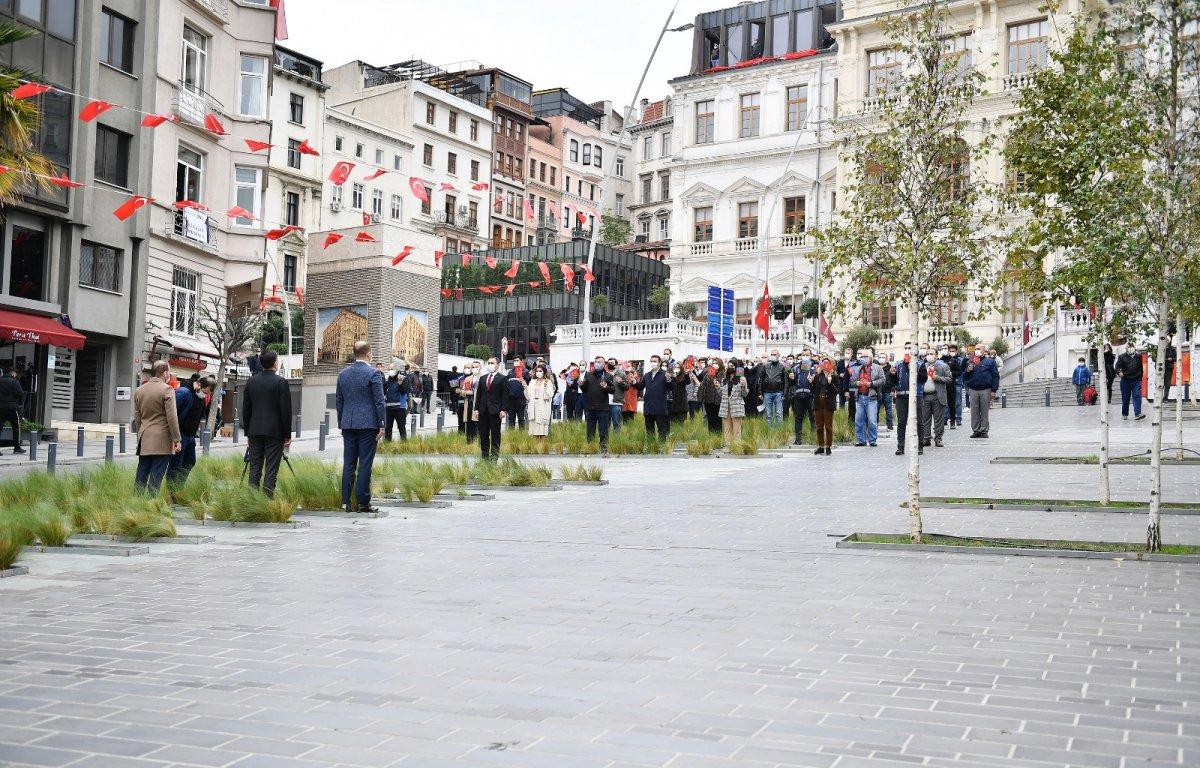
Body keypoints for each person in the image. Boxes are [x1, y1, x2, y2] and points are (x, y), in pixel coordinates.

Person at [335, 341, 386, 513]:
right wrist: (382, 424)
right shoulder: (374, 374)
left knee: (348, 463)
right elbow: (379, 401)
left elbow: (339, 401)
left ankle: (345, 502)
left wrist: (341, 422)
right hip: (368, 425)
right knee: (365, 463)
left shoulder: (343, 374)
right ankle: (363, 503)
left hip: (348, 424)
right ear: (368, 353)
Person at [241, 349, 292, 498]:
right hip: (275, 432)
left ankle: (252, 501)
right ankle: (267, 501)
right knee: (271, 468)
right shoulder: (281, 382)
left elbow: (246, 409)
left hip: (255, 431)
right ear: (275, 363)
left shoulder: (251, 381)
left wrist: (248, 433)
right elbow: (286, 411)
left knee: (254, 467)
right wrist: (287, 434)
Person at [132, 360, 181, 494]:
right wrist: (177, 439)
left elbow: (138, 417)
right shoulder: (167, 389)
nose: (169, 375)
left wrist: (140, 435)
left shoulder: (139, 390)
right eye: (169, 372)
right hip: (162, 438)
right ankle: (151, 504)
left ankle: (136, 504)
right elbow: (172, 417)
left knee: (141, 473)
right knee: (156, 476)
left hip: (144, 437)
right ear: (164, 373)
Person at [168, 375, 213, 485]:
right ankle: (172, 492)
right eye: (205, 392)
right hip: (180, 433)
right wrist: (174, 436)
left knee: (190, 461)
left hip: (190, 435)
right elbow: (170, 412)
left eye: (208, 394)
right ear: (199, 384)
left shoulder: (201, 398)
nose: (205, 395)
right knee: (175, 464)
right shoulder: (184, 392)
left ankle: (179, 487)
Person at [472, 357, 510, 459]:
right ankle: (484, 455)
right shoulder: (483, 378)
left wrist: (504, 409)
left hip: (495, 411)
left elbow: (505, 395)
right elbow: (479, 394)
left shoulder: (502, 378)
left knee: (495, 435)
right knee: (483, 434)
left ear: (497, 365)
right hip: (483, 410)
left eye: (492, 363)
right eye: (488, 363)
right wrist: (476, 409)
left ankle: (494, 456)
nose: (490, 364)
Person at [849, 349, 885, 447]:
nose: (863, 358)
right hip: (859, 397)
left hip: (871, 397)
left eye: (865, 357)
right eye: (861, 357)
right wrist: (856, 383)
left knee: (872, 420)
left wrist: (872, 384)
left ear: (870, 358)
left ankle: (872, 440)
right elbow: (852, 380)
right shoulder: (858, 368)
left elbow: (882, 380)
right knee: (859, 420)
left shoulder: (877, 368)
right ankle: (861, 440)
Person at [963, 343, 1000, 437]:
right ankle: (976, 430)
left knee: (984, 411)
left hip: (985, 389)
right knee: (974, 411)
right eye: (976, 349)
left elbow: (995, 376)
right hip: (973, 389)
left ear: (984, 350)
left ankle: (984, 430)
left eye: (979, 348)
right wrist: (968, 371)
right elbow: (965, 376)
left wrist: (994, 390)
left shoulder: (990, 362)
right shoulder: (970, 361)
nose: (977, 350)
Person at [581, 356, 615, 455]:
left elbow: (613, 390)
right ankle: (590, 446)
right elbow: (585, 389)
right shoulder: (589, 375)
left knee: (603, 429)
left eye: (599, 362)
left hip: (602, 407)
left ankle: (603, 447)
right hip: (590, 407)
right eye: (595, 362)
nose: (596, 363)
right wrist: (581, 385)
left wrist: (606, 387)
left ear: (604, 364)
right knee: (590, 429)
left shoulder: (608, 376)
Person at [918, 350, 952, 447]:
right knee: (925, 419)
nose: (929, 356)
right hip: (925, 396)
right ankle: (926, 438)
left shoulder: (943, 366)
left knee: (938, 419)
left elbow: (949, 379)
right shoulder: (922, 366)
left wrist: (937, 377)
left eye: (931, 354)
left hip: (937, 395)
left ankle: (938, 438)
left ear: (936, 356)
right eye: (928, 354)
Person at [893, 353, 921, 455]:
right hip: (901, 397)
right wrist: (892, 374)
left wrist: (915, 371)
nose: (908, 351)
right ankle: (900, 447)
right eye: (907, 348)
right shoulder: (898, 365)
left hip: (915, 396)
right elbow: (893, 380)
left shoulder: (919, 364)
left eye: (910, 348)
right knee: (901, 423)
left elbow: (923, 379)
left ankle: (919, 447)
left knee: (919, 422)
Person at [637, 354, 671, 440]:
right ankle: (651, 448)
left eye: (655, 361)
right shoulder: (647, 375)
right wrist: (634, 382)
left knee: (662, 430)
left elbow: (671, 387)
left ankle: (662, 448)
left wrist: (668, 380)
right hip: (648, 407)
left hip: (660, 407)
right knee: (649, 430)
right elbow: (641, 387)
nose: (653, 363)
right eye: (651, 361)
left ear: (659, 363)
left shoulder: (664, 374)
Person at [718, 359, 749, 446]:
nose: (730, 368)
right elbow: (721, 394)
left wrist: (743, 386)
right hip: (725, 407)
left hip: (737, 407)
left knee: (737, 430)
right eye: (729, 366)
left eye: (732, 366)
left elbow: (744, 394)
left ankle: (737, 446)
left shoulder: (741, 378)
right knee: (727, 429)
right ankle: (728, 446)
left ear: (736, 367)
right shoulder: (724, 379)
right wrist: (718, 388)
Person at [811, 359, 838, 455]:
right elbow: (813, 390)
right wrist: (811, 382)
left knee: (828, 426)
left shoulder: (834, 376)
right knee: (819, 426)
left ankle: (828, 446)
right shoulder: (818, 376)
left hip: (828, 403)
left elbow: (836, 391)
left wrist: (830, 383)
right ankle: (821, 446)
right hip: (818, 403)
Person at [1115, 347, 1145, 420]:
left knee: (1137, 396)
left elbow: (1140, 367)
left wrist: (1140, 377)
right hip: (1126, 380)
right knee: (1125, 398)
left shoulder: (1138, 356)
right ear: (1126, 348)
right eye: (1128, 346)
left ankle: (1138, 414)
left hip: (1136, 380)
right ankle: (1124, 414)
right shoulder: (1122, 356)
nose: (1130, 348)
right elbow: (1117, 366)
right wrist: (1119, 372)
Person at [0, 369, 25, 455]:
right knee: (16, 427)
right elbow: (20, 394)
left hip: (0, 407)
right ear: (13, 375)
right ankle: (17, 448)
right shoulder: (14, 382)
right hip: (11, 408)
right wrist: (20, 404)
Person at [758, 350, 787, 425]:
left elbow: (786, 382)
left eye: (775, 354)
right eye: (772, 354)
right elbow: (761, 379)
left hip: (778, 393)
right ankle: (769, 431)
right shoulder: (766, 366)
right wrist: (760, 392)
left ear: (778, 355)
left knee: (778, 413)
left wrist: (784, 394)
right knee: (768, 414)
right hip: (767, 392)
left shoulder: (782, 366)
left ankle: (779, 431)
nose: (773, 355)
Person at [526, 363, 554, 439]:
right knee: (534, 429)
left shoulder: (547, 382)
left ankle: (542, 447)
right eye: (537, 371)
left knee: (542, 428)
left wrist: (544, 388)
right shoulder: (532, 382)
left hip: (542, 406)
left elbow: (550, 395)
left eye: (540, 371)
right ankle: (535, 448)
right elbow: (528, 396)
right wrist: (525, 387)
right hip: (533, 405)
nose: (538, 372)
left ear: (544, 372)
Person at [790, 359, 813, 445]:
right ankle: (798, 440)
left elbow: (816, 384)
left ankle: (813, 439)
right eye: (802, 362)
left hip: (810, 397)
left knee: (812, 417)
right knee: (798, 418)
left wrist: (812, 381)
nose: (804, 364)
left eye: (805, 363)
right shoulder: (795, 370)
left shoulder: (813, 370)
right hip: (798, 397)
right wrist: (791, 378)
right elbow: (791, 383)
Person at [383, 367, 410, 441]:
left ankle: (404, 445)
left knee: (401, 427)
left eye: (392, 369)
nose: (390, 371)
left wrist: (400, 383)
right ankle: (387, 444)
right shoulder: (388, 380)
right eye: (389, 369)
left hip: (400, 407)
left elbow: (404, 391)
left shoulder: (404, 379)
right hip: (388, 407)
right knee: (388, 428)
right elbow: (384, 391)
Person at [697, 359, 723, 434]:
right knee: (711, 421)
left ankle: (718, 437)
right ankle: (711, 438)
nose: (714, 365)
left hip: (719, 401)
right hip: (708, 401)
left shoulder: (723, 374)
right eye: (713, 363)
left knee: (718, 421)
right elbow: (702, 385)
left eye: (716, 363)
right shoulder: (708, 374)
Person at [457, 363, 479, 441]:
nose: (467, 369)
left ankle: (476, 439)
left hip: (476, 404)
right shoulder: (460, 378)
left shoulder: (481, 378)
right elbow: (455, 389)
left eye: (469, 367)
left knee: (476, 423)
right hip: (464, 402)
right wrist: (461, 391)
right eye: (465, 367)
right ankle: (466, 438)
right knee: (464, 422)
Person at [941, 346, 961, 429]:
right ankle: (942, 421)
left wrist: (951, 374)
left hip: (950, 385)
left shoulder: (953, 361)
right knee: (940, 404)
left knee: (951, 404)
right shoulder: (939, 361)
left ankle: (952, 421)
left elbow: (959, 371)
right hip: (940, 385)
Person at [879, 356, 896, 432]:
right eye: (880, 357)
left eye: (883, 357)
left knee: (888, 410)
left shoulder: (890, 368)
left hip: (887, 392)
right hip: (878, 392)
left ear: (886, 359)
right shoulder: (876, 367)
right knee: (876, 410)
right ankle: (875, 425)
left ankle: (890, 425)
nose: (881, 358)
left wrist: (893, 390)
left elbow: (894, 380)